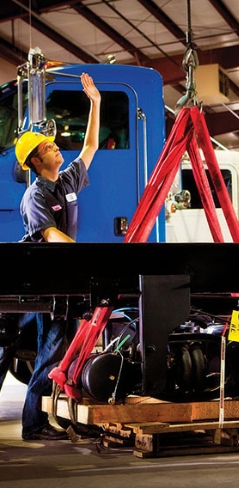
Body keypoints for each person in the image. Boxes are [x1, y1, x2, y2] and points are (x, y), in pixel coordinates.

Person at [10, 72, 101, 440]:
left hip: (66, 279)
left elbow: (90, 147)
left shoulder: (67, 180)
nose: (54, 146)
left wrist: (95, 103)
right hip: (46, 284)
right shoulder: (35, 196)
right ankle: (33, 425)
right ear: (34, 161)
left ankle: (59, 415)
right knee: (50, 352)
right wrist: (87, 258)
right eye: (47, 147)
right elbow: (49, 234)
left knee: (66, 353)